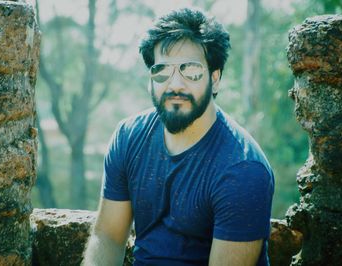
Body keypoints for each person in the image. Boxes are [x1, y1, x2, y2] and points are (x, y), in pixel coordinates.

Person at [83, 7, 274, 266]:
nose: (175, 84)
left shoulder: (243, 169)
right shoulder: (128, 138)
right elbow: (107, 237)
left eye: (191, 70)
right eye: (162, 70)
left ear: (215, 79)